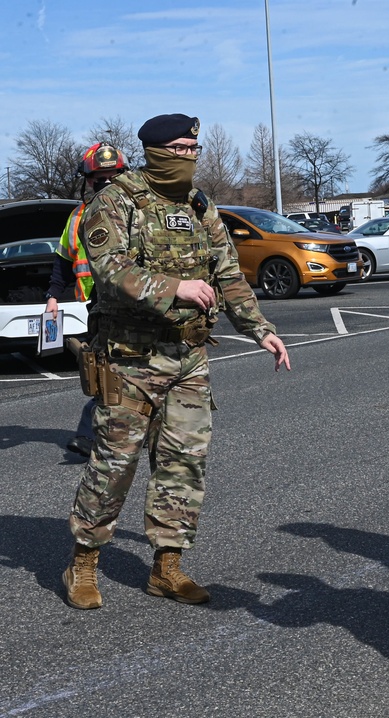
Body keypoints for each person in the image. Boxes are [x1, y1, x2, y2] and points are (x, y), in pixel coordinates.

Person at [62, 114, 291, 610]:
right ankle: (82, 564)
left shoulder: (198, 204)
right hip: (128, 358)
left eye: (194, 148)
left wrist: (261, 330)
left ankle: (167, 567)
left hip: (188, 356)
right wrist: (176, 288)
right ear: (157, 150)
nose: (190, 155)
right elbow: (111, 270)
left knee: (183, 465)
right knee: (114, 464)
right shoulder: (115, 199)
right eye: (182, 148)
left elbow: (228, 272)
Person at [45, 143, 130, 457]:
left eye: (113, 177)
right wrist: (53, 296)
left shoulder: (138, 211)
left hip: (135, 302)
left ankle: (110, 434)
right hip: (98, 306)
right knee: (105, 370)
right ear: (88, 180)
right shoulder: (79, 215)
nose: (105, 184)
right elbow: (63, 261)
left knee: (129, 370)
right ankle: (91, 435)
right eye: (99, 179)